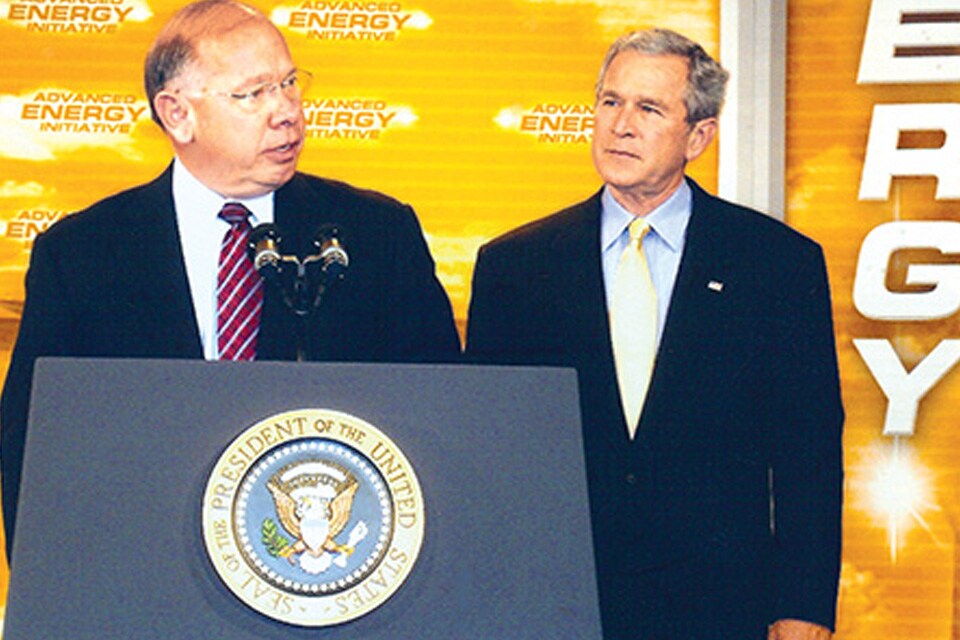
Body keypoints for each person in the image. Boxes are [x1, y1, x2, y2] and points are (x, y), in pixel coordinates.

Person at [1, 0, 460, 559]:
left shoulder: (375, 235)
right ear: (177, 114)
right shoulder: (83, 255)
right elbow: (35, 446)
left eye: (290, 84)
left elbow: (440, 418)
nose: (287, 111)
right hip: (143, 568)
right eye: (253, 94)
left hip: (328, 569)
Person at [466, 28, 843, 640]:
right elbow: (489, 456)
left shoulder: (776, 264)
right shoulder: (518, 266)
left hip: (721, 607)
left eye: (648, 108)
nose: (621, 125)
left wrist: (803, 606)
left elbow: (809, 453)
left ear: (699, 135)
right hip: (558, 605)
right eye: (611, 102)